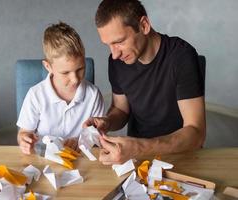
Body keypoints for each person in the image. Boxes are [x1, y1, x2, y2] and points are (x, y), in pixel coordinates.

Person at [84, 0, 206, 165]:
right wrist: (107, 121)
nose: (114, 54)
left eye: (119, 42)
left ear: (144, 25)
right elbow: (121, 109)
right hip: (135, 157)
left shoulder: (181, 56)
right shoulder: (116, 62)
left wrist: (139, 147)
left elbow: (196, 133)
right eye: (109, 45)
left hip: (179, 155)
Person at [17, 22, 104, 155]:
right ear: (48, 67)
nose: (75, 79)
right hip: (45, 159)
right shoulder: (36, 95)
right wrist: (24, 140)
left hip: (81, 159)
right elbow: (24, 133)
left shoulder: (93, 95)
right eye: (65, 73)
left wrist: (80, 141)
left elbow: (98, 134)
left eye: (80, 69)